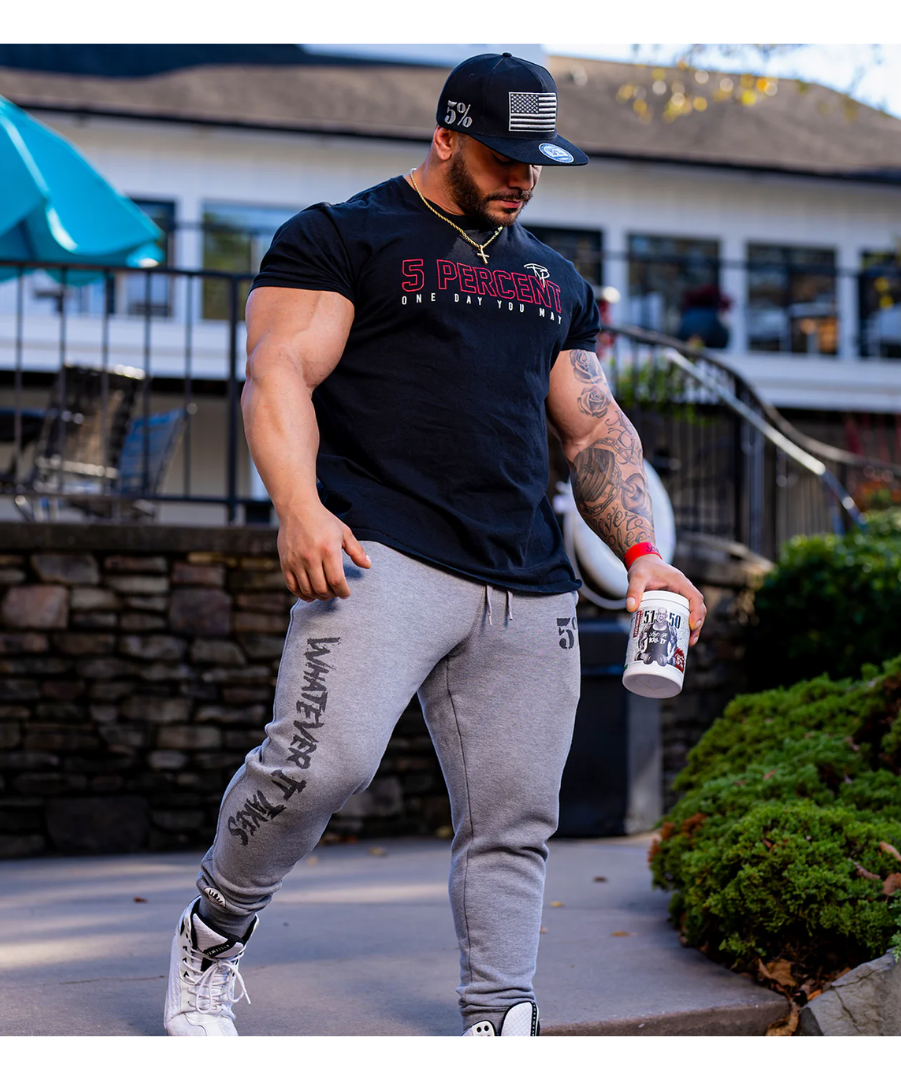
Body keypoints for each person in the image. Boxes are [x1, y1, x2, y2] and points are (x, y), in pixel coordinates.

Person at [164, 52, 706, 1038]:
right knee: (316, 767)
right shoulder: (342, 237)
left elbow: (594, 432)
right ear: (446, 136)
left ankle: (501, 1020)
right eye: (503, 155)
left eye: (538, 162)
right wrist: (298, 506)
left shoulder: (555, 282)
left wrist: (641, 556)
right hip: (382, 554)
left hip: (528, 582)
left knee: (516, 817)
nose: (522, 177)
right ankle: (213, 928)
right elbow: (278, 369)